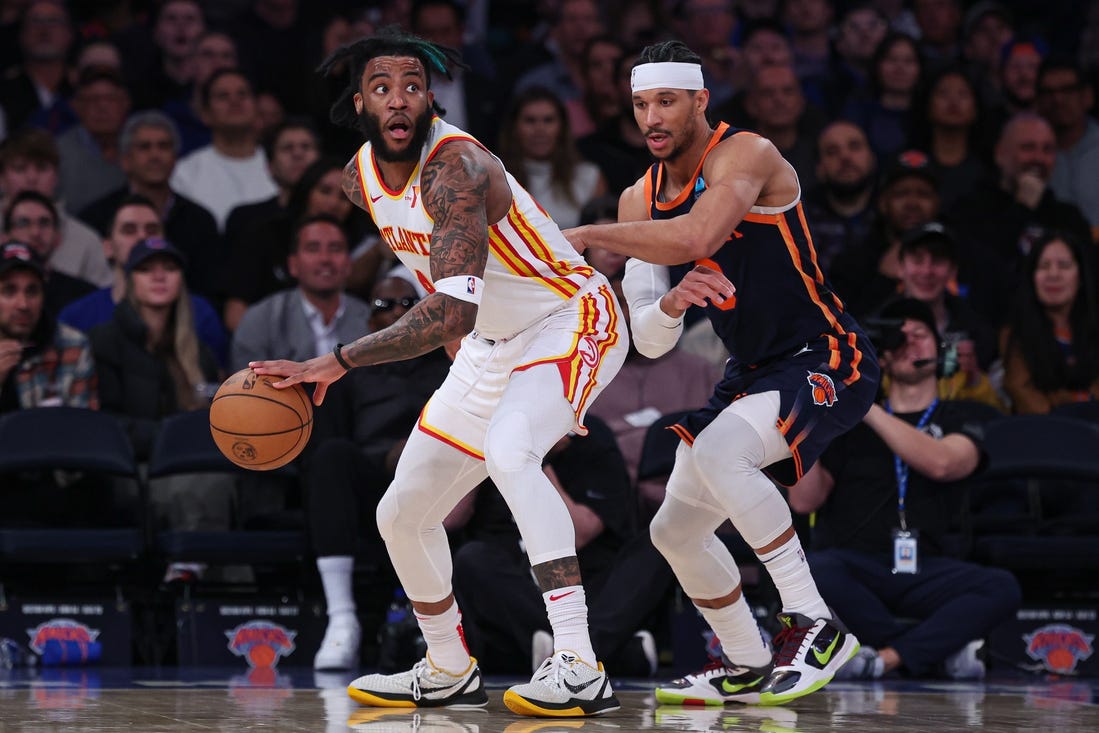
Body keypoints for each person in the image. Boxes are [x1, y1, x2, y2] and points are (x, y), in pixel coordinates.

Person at [249, 29, 627, 717]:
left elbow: (450, 311)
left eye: (413, 86)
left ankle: (578, 661)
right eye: (383, 88)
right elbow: (451, 299)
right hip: (492, 339)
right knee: (400, 511)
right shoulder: (355, 180)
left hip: (569, 316)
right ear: (358, 102)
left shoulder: (458, 168)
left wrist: (335, 360)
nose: (399, 100)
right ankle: (448, 663)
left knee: (513, 454)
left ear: (431, 99)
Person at [564, 39, 881, 706]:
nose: (651, 116)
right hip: (752, 371)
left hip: (824, 352)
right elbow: (648, 340)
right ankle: (745, 659)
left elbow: (698, 238)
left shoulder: (747, 153)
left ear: (700, 101)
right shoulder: (635, 197)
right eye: (640, 103)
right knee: (671, 530)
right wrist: (671, 303)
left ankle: (814, 622)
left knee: (719, 449)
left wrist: (591, 234)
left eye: (666, 101)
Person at [789, 297, 1022, 680]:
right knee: (813, 568)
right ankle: (927, 653)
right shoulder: (844, 422)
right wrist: (810, 419)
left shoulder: (959, 416)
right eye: (900, 337)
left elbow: (944, 463)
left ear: (940, 349)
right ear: (881, 356)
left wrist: (865, 404)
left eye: (920, 335)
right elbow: (804, 500)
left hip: (926, 568)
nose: (910, 342)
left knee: (1001, 586)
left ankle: (885, 658)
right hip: (855, 565)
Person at [1000, 231, 1099, 413]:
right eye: (1044, 266)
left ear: (1081, 277)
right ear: (1032, 277)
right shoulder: (1016, 335)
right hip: (1044, 432)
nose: (1053, 274)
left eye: (1064, 265)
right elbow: (1021, 390)